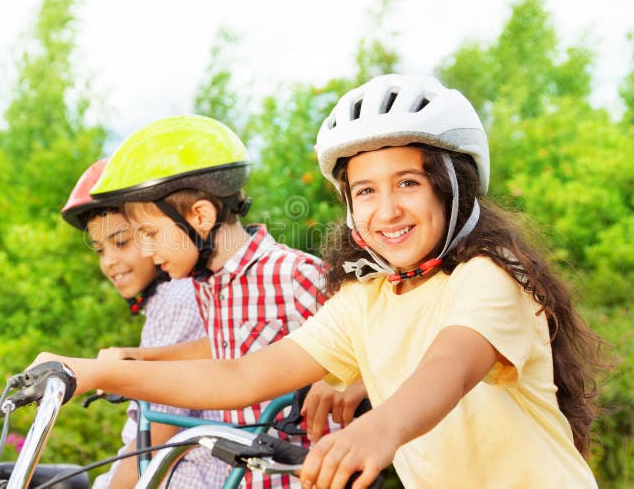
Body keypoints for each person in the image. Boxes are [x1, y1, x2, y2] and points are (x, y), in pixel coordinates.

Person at [30, 76, 603, 488]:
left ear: (451, 188)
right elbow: (245, 374)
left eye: (408, 182)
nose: (386, 210)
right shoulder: (365, 298)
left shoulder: (491, 275)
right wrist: (100, 371)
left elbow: (448, 368)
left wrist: (378, 427)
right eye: (365, 191)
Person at [90, 115, 359, 488]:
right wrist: (140, 358)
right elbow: (225, 350)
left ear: (200, 216)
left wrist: (352, 381)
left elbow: (371, 349)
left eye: (150, 234)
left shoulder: (295, 275)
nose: (148, 251)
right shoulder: (208, 283)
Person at [61, 158, 227, 489]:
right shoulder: (168, 301)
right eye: (99, 250)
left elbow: (155, 440)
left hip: (187, 476)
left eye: (122, 242)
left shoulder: (177, 298)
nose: (109, 261)